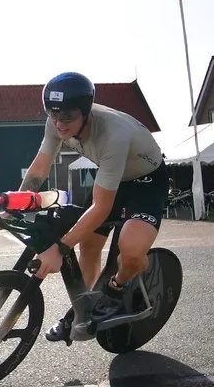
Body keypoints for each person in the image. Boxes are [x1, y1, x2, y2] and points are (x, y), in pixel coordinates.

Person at [16, 71, 170, 343]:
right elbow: (39, 168)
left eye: (67, 118)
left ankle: (117, 286)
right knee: (88, 245)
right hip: (113, 177)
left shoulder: (113, 134)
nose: (60, 124)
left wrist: (60, 250)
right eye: (54, 115)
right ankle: (83, 308)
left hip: (146, 182)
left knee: (131, 249)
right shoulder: (56, 122)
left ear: (86, 113)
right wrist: (15, 205)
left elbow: (100, 208)